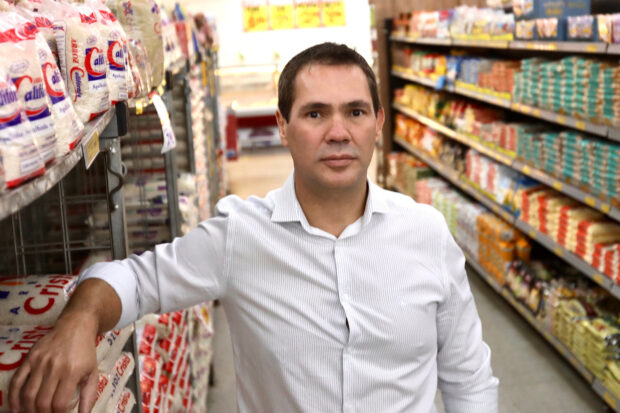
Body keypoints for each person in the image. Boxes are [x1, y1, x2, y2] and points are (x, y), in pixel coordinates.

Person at [9, 42, 498, 413]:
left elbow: (468, 378)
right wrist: (79, 319)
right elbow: (136, 280)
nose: (338, 132)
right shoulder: (240, 236)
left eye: (355, 112)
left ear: (379, 122)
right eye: (315, 113)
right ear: (282, 126)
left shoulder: (427, 234)